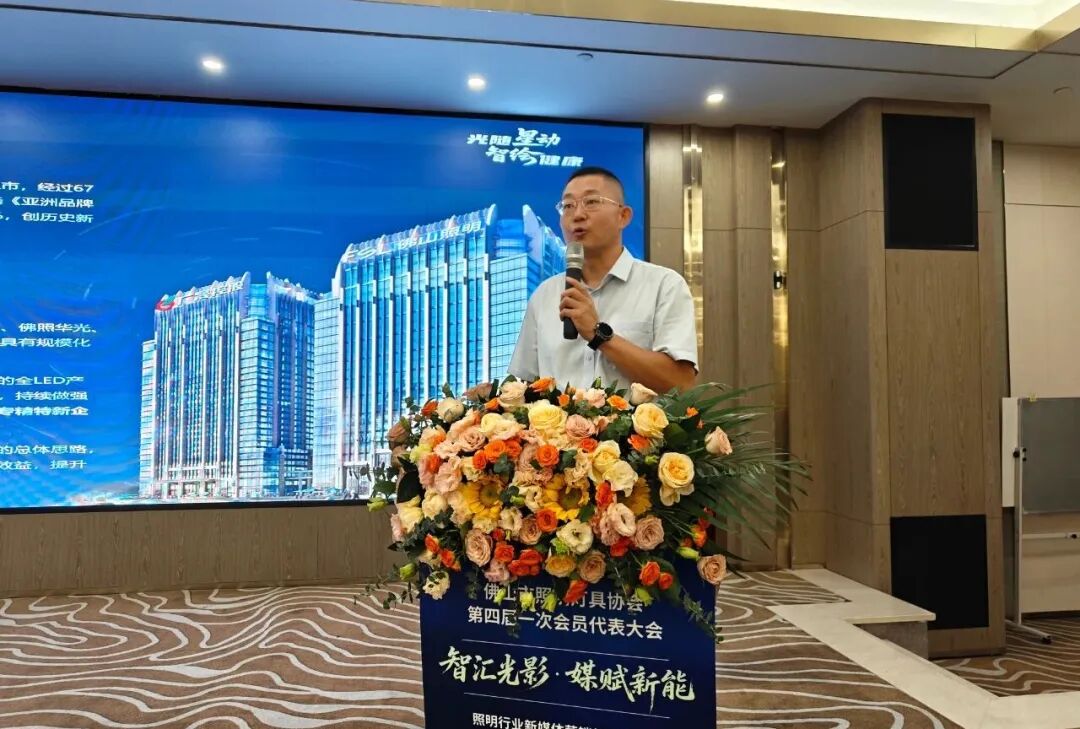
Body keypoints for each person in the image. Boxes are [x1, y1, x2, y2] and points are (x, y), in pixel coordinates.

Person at [508, 166, 698, 393]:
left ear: (623, 216)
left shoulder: (664, 285)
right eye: (568, 206)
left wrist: (598, 334)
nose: (578, 214)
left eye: (591, 202)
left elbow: (681, 384)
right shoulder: (544, 295)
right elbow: (525, 385)